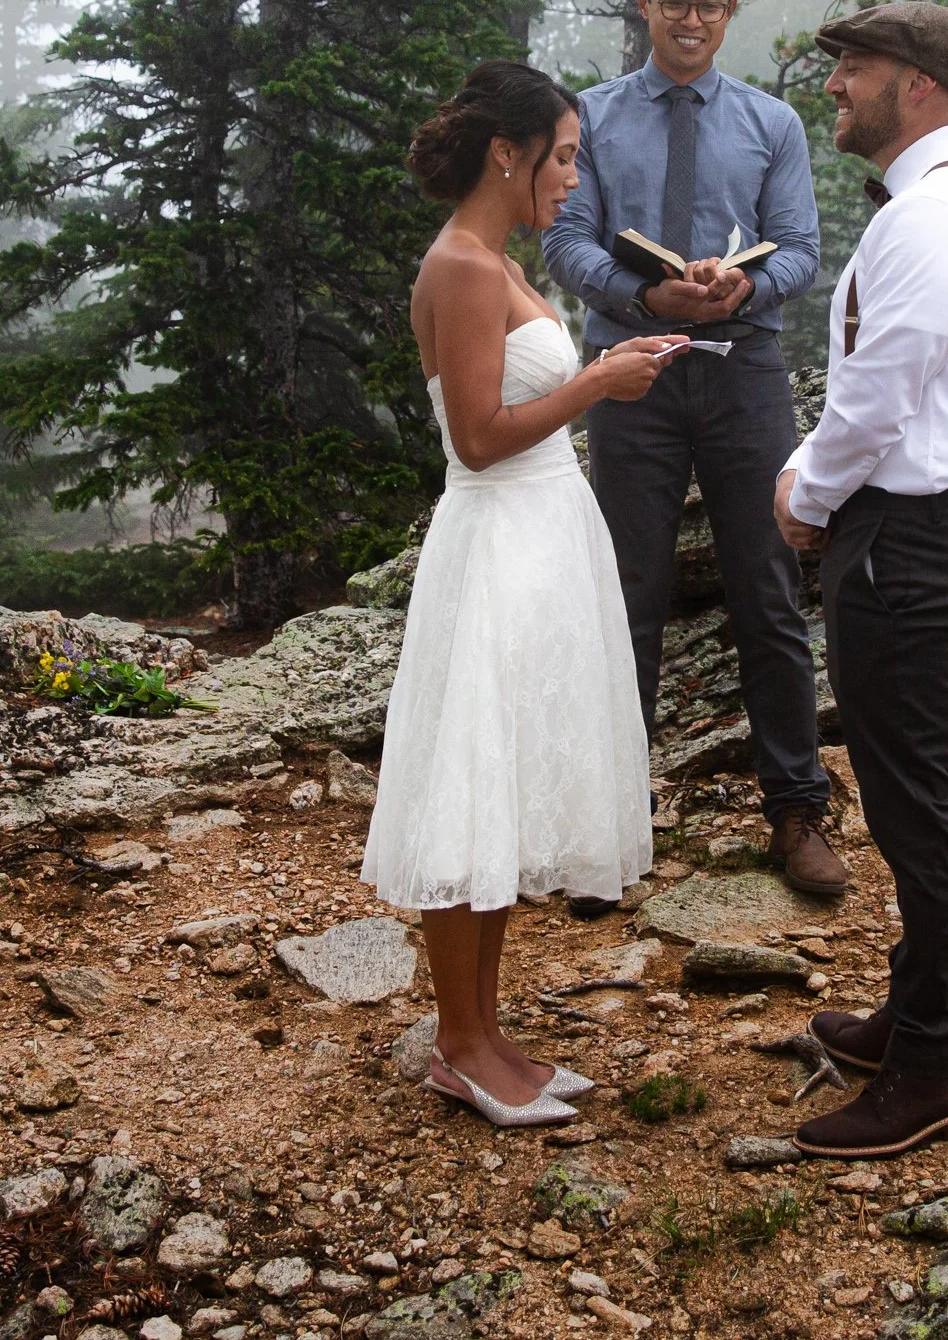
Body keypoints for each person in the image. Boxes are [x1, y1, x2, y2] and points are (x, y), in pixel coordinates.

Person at [362, 60, 680, 1128]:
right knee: (471, 787)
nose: (572, 179)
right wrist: (594, 383)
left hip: (543, 540)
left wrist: (608, 362)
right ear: (510, 151)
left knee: (502, 790)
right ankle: (456, 1043)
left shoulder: (493, 259)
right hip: (496, 541)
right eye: (565, 156)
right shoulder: (458, 262)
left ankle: (487, 1031)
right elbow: (478, 438)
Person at [542, 0, 846, 901]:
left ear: (728, 12)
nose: (689, 20)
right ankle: (609, 821)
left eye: (708, 4)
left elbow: (798, 249)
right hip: (632, 373)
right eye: (673, 2)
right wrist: (643, 300)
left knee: (766, 588)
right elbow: (567, 240)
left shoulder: (771, 123)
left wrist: (735, 288)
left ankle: (796, 808)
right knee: (624, 594)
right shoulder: (589, 117)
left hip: (743, 370)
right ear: (642, 4)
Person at [772, 1, 948, 1159]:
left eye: (855, 68)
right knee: (910, 793)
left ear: (917, 84)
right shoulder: (934, 206)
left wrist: (803, 492)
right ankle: (911, 1013)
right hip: (920, 532)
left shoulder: (933, 217)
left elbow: (881, 391)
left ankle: (936, 1062)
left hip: (912, 540)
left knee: (921, 806)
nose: (836, 86)